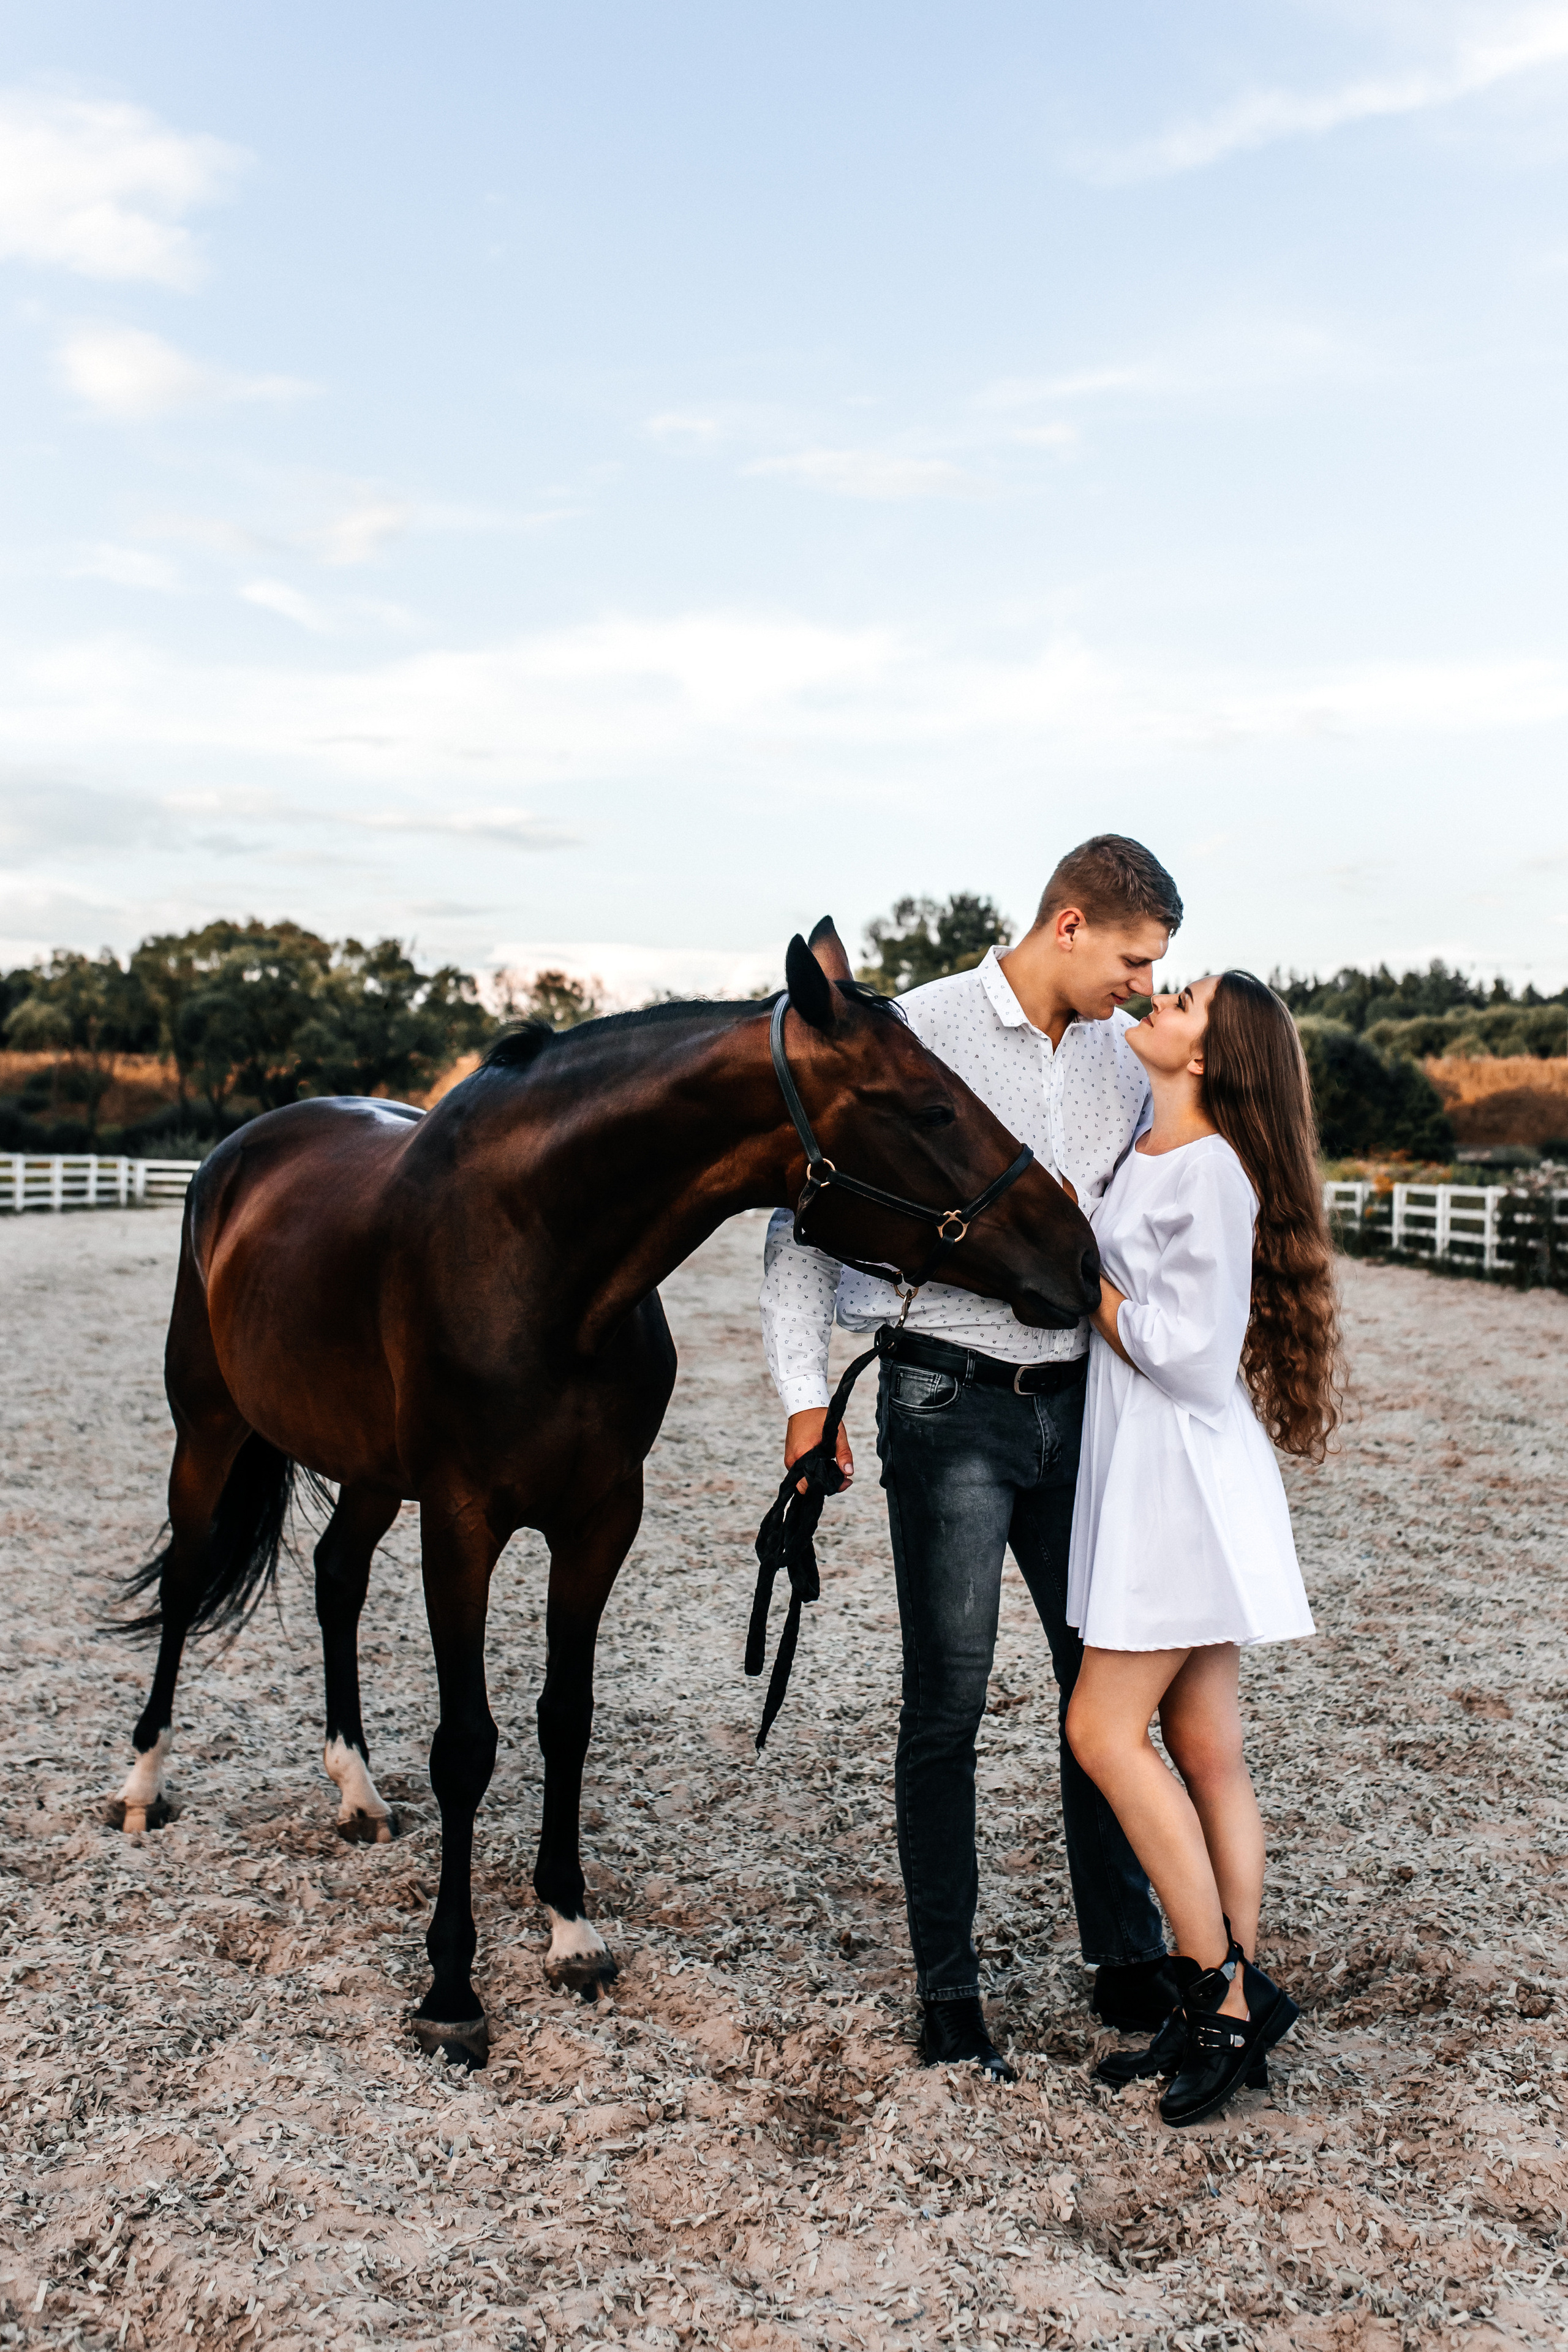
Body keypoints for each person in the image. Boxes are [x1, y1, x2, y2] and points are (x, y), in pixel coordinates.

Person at [761, 835, 1187, 2080]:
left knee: (1098, 1697)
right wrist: (805, 1403)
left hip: (1086, 1408)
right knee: (945, 1705)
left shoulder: (1120, 1062)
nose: (1144, 987)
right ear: (1068, 925)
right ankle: (949, 1997)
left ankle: (1125, 1957)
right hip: (947, 1402)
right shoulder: (919, 1032)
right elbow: (801, 1233)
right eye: (1133, 960)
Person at [1064, 970, 1340, 2128]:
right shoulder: (1152, 1147)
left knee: (1100, 1731)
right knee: (1205, 1746)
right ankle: (1221, 2005)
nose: (1158, 1000)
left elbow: (1188, 1352)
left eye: (1181, 1001)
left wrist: (1086, 1283)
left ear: (1207, 1056)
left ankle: (1225, 1992)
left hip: (1174, 1480)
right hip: (1154, 1466)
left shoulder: (1216, 1170)